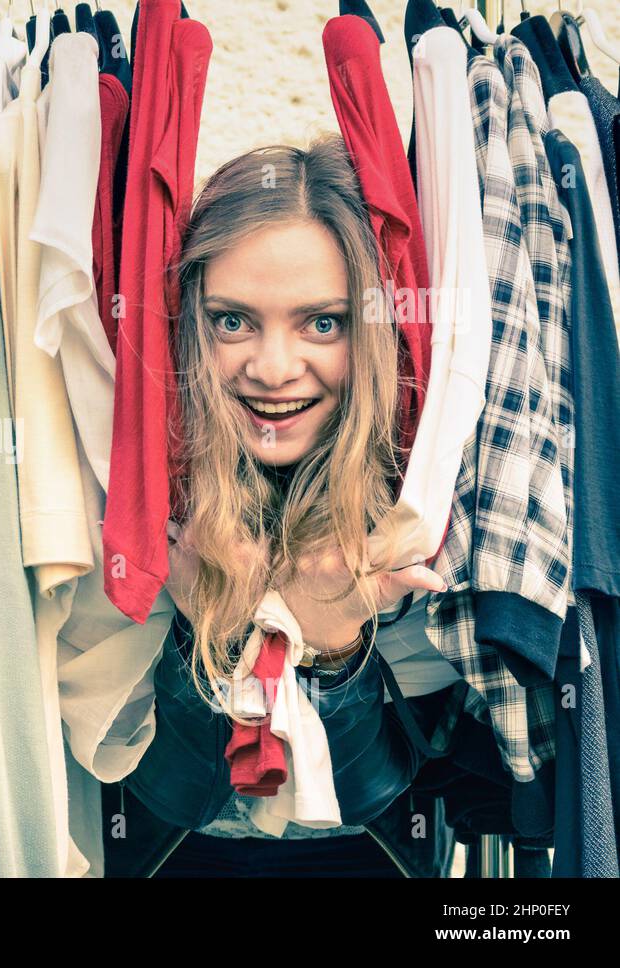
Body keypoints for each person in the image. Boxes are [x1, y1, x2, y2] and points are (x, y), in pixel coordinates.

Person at [107, 138, 459, 877]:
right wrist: (212, 629)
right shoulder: (143, 483)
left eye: (321, 323)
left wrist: (335, 651)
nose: (271, 369)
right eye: (233, 321)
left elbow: (391, 796)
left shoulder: (416, 483)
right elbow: (165, 796)